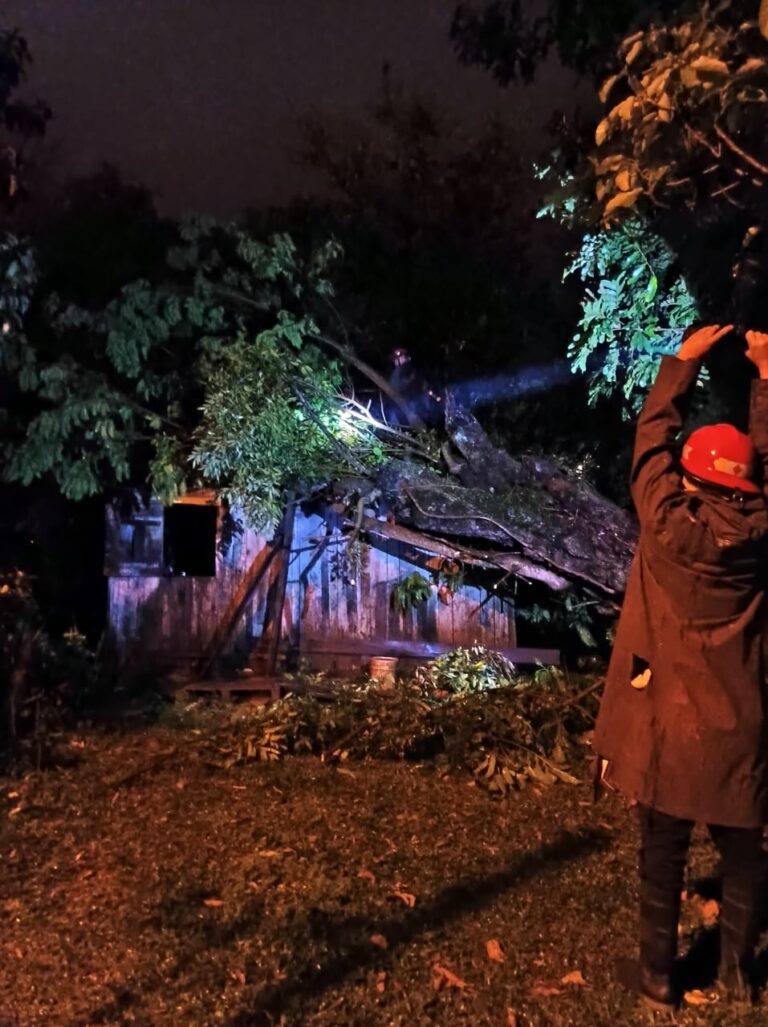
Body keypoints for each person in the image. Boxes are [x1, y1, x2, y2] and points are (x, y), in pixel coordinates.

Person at [593, 324, 768, 1010]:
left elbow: (647, 447)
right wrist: (765, 376)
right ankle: (736, 974)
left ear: (690, 477)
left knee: (661, 856)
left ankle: (659, 978)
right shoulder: (760, 535)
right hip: (739, 729)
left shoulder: (667, 524)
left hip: (670, 727)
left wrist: (681, 366)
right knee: (746, 856)